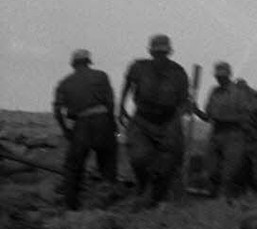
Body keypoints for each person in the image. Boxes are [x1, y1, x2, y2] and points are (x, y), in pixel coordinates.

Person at [118, 34, 190, 207]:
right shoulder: (138, 67)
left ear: (168, 53)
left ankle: (158, 197)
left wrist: (175, 122)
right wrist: (120, 107)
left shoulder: (178, 72)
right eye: (157, 52)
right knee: (138, 157)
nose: (160, 56)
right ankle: (143, 188)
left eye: (163, 53)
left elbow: (183, 101)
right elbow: (127, 85)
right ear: (151, 52)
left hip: (168, 121)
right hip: (142, 119)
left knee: (168, 163)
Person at [52, 49, 118, 210]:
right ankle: (105, 204)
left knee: (73, 167)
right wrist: (112, 124)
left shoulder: (65, 82)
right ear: (89, 62)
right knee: (108, 164)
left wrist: (66, 130)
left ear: (73, 64)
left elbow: (57, 110)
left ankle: (72, 207)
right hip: (103, 121)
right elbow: (110, 103)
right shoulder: (101, 76)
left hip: (81, 125)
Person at [192, 62, 249, 200]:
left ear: (228, 75)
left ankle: (224, 198)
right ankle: (213, 195)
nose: (220, 79)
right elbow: (208, 116)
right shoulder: (214, 92)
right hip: (216, 133)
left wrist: (223, 117)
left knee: (229, 170)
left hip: (234, 134)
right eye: (218, 76)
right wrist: (195, 110)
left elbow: (245, 116)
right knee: (210, 168)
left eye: (222, 76)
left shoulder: (239, 93)